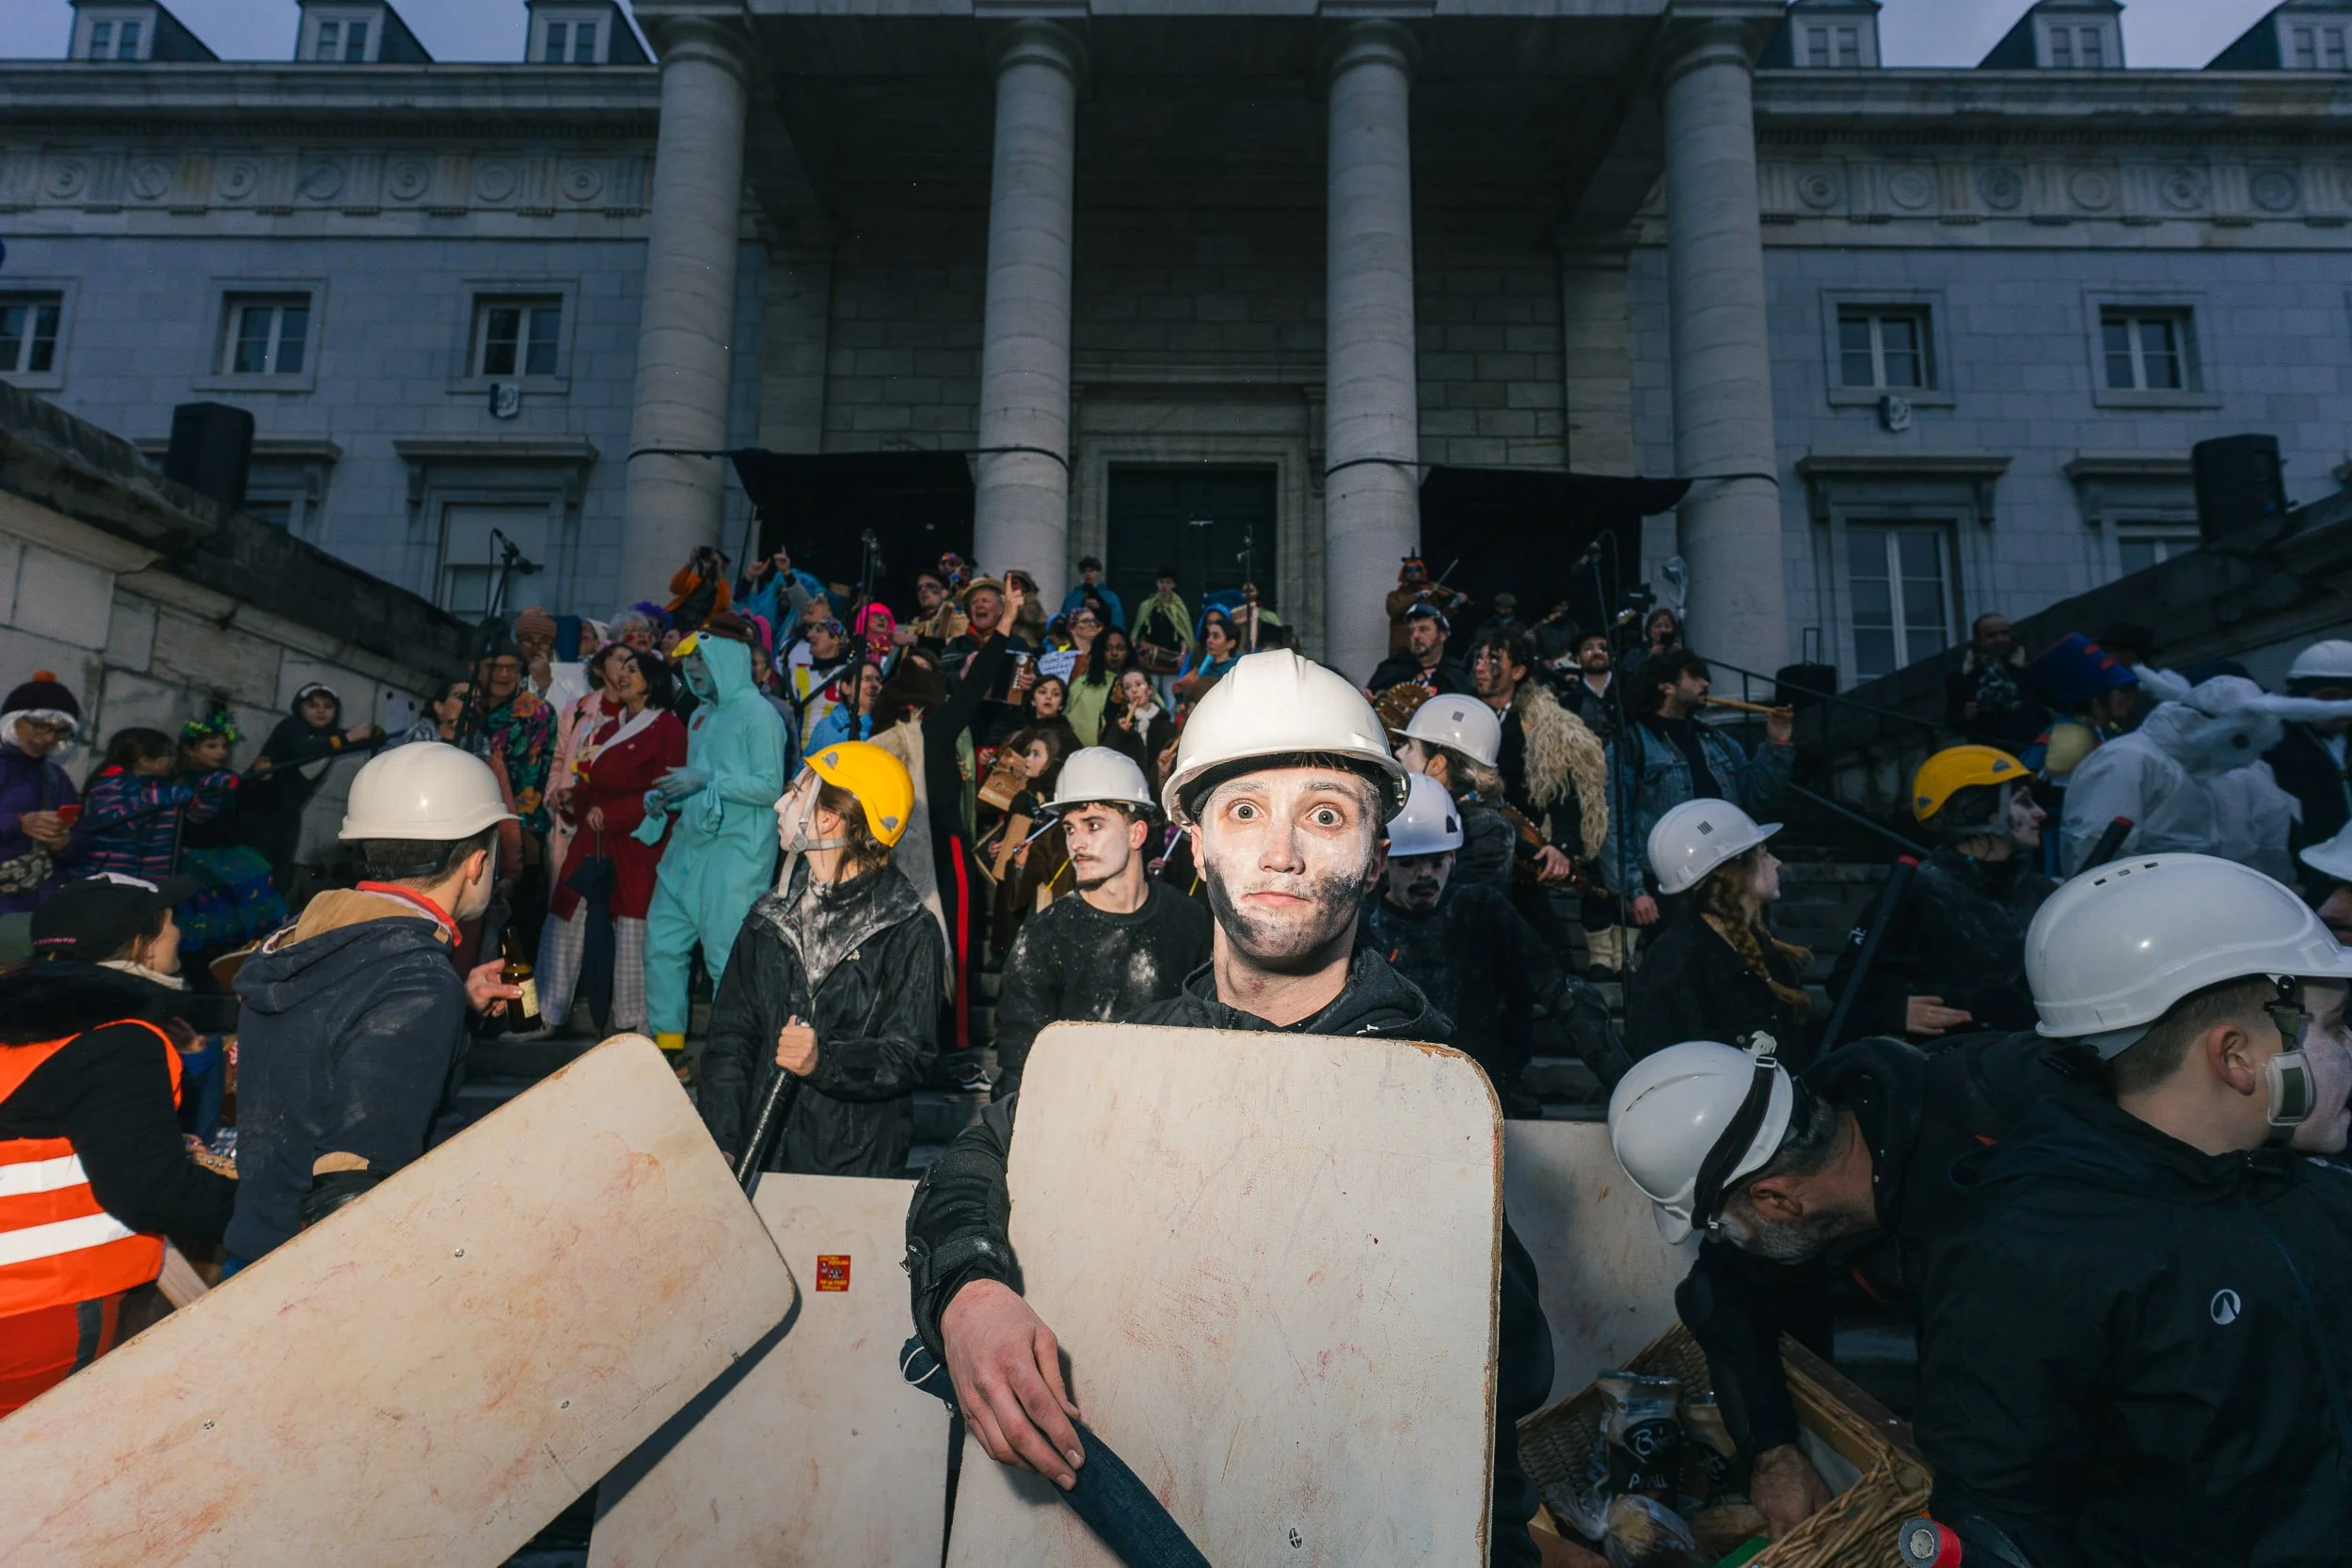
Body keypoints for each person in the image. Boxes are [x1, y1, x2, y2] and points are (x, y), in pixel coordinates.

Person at [903, 648, 1554, 1568]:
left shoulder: (1428, 1083)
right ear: (1196, 841)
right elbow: (966, 1170)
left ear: (1375, 853)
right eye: (1244, 811)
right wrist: (969, 1294)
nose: (1281, 850)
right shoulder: (1134, 1056)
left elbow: (1516, 1370)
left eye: (1324, 814)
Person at [1914, 853, 2352, 1568]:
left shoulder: (2314, 1188)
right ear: (2237, 1055)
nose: (2349, 1045)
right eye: (2335, 1027)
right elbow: (2005, 1517)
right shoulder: (2034, 1252)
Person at [1606, 1021, 2101, 1543]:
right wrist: (1773, 1451)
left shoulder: (2001, 1178)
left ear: (1778, 1199)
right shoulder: (1831, 1126)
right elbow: (1718, 1289)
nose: (1727, 1241)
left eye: (1724, 1226)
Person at [226, 744, 522, 1266]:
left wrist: (457, 1008)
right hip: (317, 1274)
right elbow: (353, 1179)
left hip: (259, 1242)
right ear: (478, 863)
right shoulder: (417, 979)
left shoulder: (307, 940)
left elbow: (325, 1047)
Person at [0, 875, 239, 1414]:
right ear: (142, 945)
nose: (181, 936)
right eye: (171, 925)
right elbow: (150, 1190)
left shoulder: (22, 1029)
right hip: (38, 1306)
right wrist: (262, 1210)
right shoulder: (117, 1039)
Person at [698, 742, 945, 1178]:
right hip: (763, 1155)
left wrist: (825, 1062)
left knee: (831, 1252)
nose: (779, 802)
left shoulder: (907, 927)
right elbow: (730, 1040)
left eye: (794, 793)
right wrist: (722, 1140)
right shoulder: (768, 920)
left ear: (829, 817)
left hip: (853, 1168)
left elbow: (910, 1055)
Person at [1363, 773, 1626, 1116]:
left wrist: (1623, 1084)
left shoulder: (1482, 911)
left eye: (1436, 861)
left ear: (1454, 858)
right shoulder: (1367, 928)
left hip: (1484, 1095)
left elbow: (1560, 992)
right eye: (1409, 863)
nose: (1424, 874)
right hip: (1396, 1100)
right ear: (1384, 863)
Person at [990, 749, 1211, 1099]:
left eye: (1093, 825)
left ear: (1136, 834)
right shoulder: (1043, 936)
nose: (1076, 842)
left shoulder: (1190, 921)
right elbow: (1018, 1070)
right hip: (1076, 1124)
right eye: (1069, 829)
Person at [1824, 747, 2055, 1046]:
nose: (2040, 813)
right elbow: (1847, 982)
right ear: (1978, 809)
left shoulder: (2043, 892)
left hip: (2032, 1064)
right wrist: (1893, 1010)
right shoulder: (1915, 891)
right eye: (2023, 803)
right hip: (1948, 1069)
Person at [640, 615, 791, 1065]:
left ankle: (738, 1054)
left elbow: (768, 787)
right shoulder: (702, 716)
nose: (693, 672)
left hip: (736, 853)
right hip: (688, 849)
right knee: (662, 946)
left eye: (701, 663)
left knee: (727, 957)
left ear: (727, 660)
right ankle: (669, 1052)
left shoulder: (761, 715)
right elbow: (697, 783)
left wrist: (705, 779)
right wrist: (664, 798)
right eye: (689, 667)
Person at [870, 626, 1020, 1058]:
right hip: (936, 849)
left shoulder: (879, 743)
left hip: (903, 853)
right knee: (950, 944)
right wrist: (1004, 626)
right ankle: (951, 1045)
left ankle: (919, 1040)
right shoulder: (933, 730)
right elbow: (975, 686)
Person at [2058, 673, 2352, 879]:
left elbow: (2269, 848)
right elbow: (2095, 857)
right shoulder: (2129, 760)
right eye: (2239, 741)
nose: (2244, 755)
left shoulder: (2242, 772)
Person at [539, 647, 686, 1037]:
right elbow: (591, 785)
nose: (624, 674)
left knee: (634, 925)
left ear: (653, 681)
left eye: (634, 670)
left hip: (639, 841)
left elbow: (669, 790)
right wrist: (573, 801)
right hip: (592, 834)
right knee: (563, 916)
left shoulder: (668, 727)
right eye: (622, 667)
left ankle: (635, 1022)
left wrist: (618, 813)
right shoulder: (605, 728)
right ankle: (543, 1013)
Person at [1600, 648, 1793, 929]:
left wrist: (1777, 745)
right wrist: (1633, 890)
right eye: (1694, 676)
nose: (1706, 684)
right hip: (1673, 881)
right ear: (1665, 686)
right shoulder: (1630, 746)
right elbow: (1615, 824)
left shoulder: (1716, 741)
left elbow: (1758, 797)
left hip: (1730, 873)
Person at [1623, 800, 1815, 1069]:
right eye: (1763, 853)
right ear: (1735, 870)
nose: (1777, 862)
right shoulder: (1675, 959)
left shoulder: (1765, 949)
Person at [1470, 629, 1606, 886]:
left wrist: (1561, 846)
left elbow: (1561, 792)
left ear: (1518, 672)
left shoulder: (1540, 727)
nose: (1481, 667)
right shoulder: (1465, 714)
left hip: (1519, 856)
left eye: (1494, 660)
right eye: (1480, 659)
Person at [245, 683, 381, 903]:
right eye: (312, 705)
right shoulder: (292, 727)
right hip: (256, 809)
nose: (321, 710)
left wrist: (372, 732)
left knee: (279, 873)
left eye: (328, 706)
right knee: (254, 870)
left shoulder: (330, 736)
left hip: (287, 812)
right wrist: (346, 739)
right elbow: (302, 747)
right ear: (300, 708)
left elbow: (369, 738)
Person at [170, 713, 285, 958]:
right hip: (196, 854)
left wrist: (262, 780)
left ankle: (233, 955)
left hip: (229, 851)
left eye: (224, 746)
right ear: (190, 750)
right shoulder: (181, 780)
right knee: (206, 911)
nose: (220, 752)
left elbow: (253, 805)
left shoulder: (229, 779)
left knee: (243, 901)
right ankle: (200, 959)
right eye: (211, 746)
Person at [1391, 693, 1518, 898]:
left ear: (1437, 765)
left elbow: (1459, 909)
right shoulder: (1415, 812)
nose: (1399, 753)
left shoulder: (1487, 830)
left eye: (1411, 747)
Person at [80, 728, 225, 882]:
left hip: (155, 875)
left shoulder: (164, 787)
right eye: (167, 754)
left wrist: (210, 791)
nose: (172, 760)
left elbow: (198, 816)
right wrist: (156, 798)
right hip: (112, 874)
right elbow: (113, 822)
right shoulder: (111, 784)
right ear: (145, 761)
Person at [1, 671, 86, 913]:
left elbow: (81, 837)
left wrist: (65, 843)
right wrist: (19, 824)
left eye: (60, 731)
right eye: (40, 726)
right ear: (13, 720)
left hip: (31, 903)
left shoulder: (55, 777)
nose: (48, 738)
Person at [2265, 638, 2352, 868]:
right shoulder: (2275, 747)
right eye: (2327, 697)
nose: (2339, 707)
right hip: (2312, 872)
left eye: (2348, 698)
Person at [2019, 631, 2138, 788]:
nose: (2130, 700)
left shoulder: (2104, 729)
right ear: (2096, 697)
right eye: (2122, 692)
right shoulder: (2071, 737)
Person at [1943, 612, 2043, 751]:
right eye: (1991, 635)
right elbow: (1950, 722)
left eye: (2004, 633)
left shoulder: (2030, 668)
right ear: (1978, 640)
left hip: (2032, 750)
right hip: (1989, 753)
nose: (2000, 639)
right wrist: (1965, 716)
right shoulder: (1961, 678)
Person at [1366, 602, 1475, 697]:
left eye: (1424, 629)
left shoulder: (1457, 675)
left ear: (1442, 635)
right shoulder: (1393, 667)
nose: (1416, 635)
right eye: (1412, 631)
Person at [1103, 667, 1176, 798]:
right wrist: (1120, 733)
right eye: (1128, 687)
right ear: (1125, 695)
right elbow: (1107, 754)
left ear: (1150, 690)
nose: (1134, 690)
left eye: (1139, 684)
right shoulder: (1120, 722)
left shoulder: (1164, 722)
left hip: (1159, 790)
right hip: (1130, 790)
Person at [1131, 567, 1194, 708]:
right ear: (1157, 583)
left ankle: (1169, 726)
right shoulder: (1147, 606)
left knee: (1170, 698)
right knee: (1150, 695)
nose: (1164, 586)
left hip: (1171, 660)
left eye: (1168, 582)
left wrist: (1182, 656)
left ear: (1174, 585)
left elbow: (1185, 636)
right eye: (1161, 582)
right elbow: (1137, 633)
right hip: (1151, 659)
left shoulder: (1179, 608)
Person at [1384, 555, 1469, 654]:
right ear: (1404, 573)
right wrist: (1416, 596)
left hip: (1425, 651)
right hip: (1402, 651)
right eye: (1409, 570)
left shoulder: (1429, 597)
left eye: (1416, 570)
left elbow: (1437, 620)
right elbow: (1395, 611)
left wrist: (1453, 606)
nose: (1413, 573)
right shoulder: (1395, 596)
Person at [1558, 630, 1620, 743]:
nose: (1597, 652)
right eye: (1588, 649)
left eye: (1603, 648)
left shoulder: (1629, 690)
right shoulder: (1570, 703)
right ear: (1577, 658)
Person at [904, 567, 969, 653]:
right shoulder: (914, 625)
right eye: (919, 588)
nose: (923, 590)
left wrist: (915, 640)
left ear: (944, 593)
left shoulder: (956, 614)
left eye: (930, 586)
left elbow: (958, 647)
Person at [396, 678, 470, 746]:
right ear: (439, 707)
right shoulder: (419, 737)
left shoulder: (479, 746)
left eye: (478, 702)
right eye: (462, 698)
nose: (471, 705)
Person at [1059, 555, 1125, 632]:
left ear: (1098, 572)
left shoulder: (1109, 595)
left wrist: (1100, 607)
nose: (1088, 574)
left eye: (1091, 571)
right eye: (1084, 571)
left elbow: (1116, 618)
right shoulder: (1073, 595)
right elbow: (1066, 617)